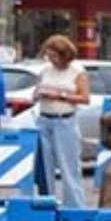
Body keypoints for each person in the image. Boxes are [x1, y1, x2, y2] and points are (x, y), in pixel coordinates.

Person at [33, 34, 90, 207]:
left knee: (68, 168)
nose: (51, 60)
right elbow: (35, 92)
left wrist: (59, 95)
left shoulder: (77, 71)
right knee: (45, 167)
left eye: (55, 56)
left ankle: (75, 208)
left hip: (65, 121)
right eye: (49, 56)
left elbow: (85, 98)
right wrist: (38, 94)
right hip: (44, 120)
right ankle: (47, 203)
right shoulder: (44, 70)